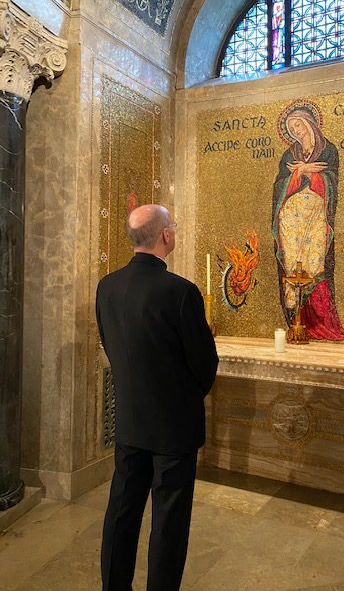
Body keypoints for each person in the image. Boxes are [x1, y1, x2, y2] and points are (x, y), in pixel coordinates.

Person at [96, 204, 218, 591]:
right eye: (174, 227)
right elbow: (204, 363)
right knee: (169, 519)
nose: (175, 232)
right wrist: (187, 395)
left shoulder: (107, 286)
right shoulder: (180, 292)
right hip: (173, 428)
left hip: (130, 420)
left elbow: (111, 346)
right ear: (165, 235)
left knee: (122, 512)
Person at [272, 102, 344, 341]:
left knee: (316, 264)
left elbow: (332, 182)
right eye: (292, 127)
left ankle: (321, 323)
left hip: (316, 216)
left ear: (309, 124)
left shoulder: (328, 150)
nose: (296, 130)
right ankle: (296, 321)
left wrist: (312, 174)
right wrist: (299, 173)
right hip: (291, 221)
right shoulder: (289, 154)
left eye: (299, 125)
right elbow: (279, 187)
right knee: (292, 265)